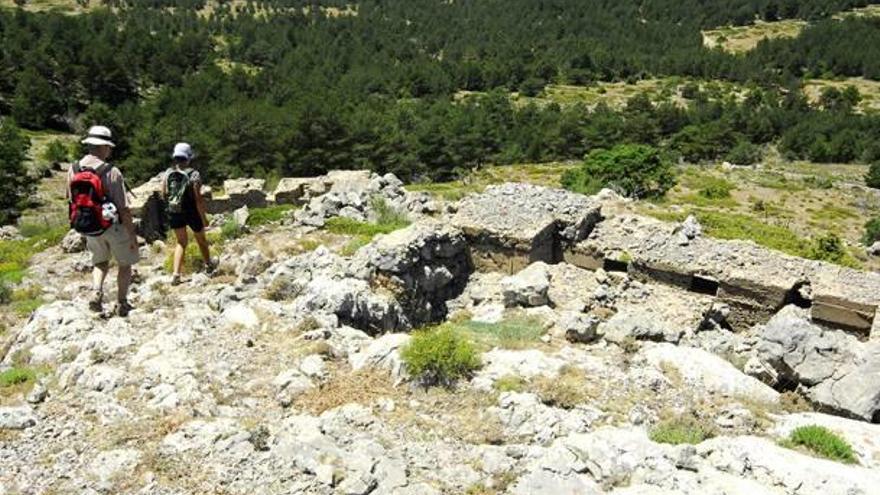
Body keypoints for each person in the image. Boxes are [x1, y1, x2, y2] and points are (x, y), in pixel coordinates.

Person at [69, 125, 139, 316]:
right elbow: (123, 208)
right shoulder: (111, 171)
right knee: (125, 264)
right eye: (108, 147)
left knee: (100, 262)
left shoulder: (73, 169)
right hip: (113, 226)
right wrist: (132, 235)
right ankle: (121, 302)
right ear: (103, 148)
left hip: (90, 226)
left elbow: (71, 199)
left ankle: (97, 291)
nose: (109, 150)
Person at [162, 142, 215, 285]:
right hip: (191, 211)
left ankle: (176, 274)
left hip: (174, 212)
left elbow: (164, 193)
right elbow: (198, 199)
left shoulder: (168, 173)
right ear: (189, 157)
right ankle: (209, 266)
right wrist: (204, 219)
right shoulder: (194, 174)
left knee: (181, 242)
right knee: (201, 240)